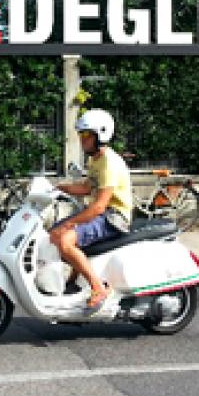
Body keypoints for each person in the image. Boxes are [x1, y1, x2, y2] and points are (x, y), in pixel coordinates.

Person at [51, 109, 133, 313]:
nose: (82, 139)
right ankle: (74, 282)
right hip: (102, 213)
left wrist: (69, 224)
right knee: (53, 234)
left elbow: (99, 206)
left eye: (87, 135)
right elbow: (87, 188)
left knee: (65, 239)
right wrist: (57, 188)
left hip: (115, 217)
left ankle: (98, 288)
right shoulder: (95, 160)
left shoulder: (109, 163)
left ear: (101, 135)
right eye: (81, 134)